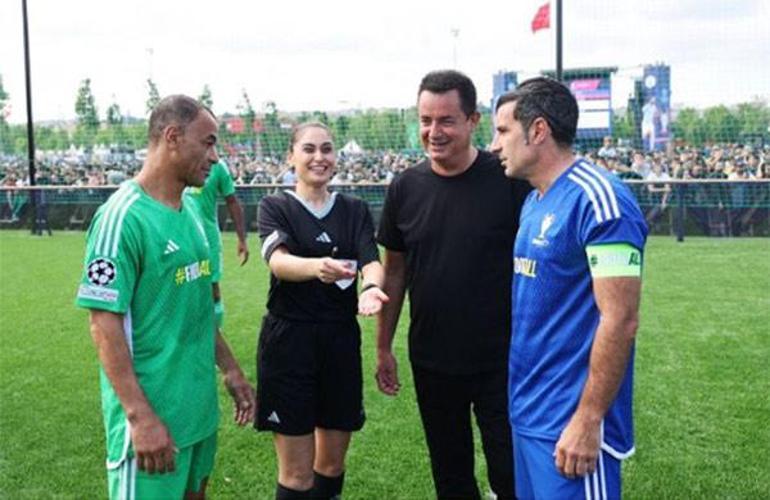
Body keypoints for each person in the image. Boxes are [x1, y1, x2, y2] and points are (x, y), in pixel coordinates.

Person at [75, 95, 255, 499]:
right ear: (172, 137)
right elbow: (102, 324)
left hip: (197, 414)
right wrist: (140, 417)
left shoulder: (191, 212)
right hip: (153, 418)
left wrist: (230, 369)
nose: (215, 157)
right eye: (208, 143)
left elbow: (199, 307)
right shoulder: (123, 217)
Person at [376, 70, 531, 499]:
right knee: (451, 475)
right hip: (433, 360)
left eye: (446, 120)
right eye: (426, 120)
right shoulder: (404, 188)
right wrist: (383, 346)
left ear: (472, 121)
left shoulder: (509, 181)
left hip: (502, 359)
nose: (434, 131)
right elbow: (394, 271)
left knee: (511, 473)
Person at [491, 77, 647, 499]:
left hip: (570, 423)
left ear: (538, 130)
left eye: (503, 130)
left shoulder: (600, 200)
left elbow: (621, 319)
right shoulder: (534, 201)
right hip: (528, 412)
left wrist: (588, 418)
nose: (494, 144)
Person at [255, 122, 388, 500]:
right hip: (290, 342)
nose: (319, 157)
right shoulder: (274, 206)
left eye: (327, 149)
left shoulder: (354, 209)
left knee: (330, 467)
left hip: (339, 340)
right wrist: (318, 267)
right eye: (309, 149)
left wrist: (372, 287)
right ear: (291, 157)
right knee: (296, 475)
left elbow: (371, 261)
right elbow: (278, 262)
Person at [185, 159, 250, 335]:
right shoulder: (178, 161)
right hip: (181, 238)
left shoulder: (218, 166)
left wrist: (242, 239)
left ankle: (215, 334)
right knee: (182, 288)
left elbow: (232, 201)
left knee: (212, 290)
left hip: (208, 239)